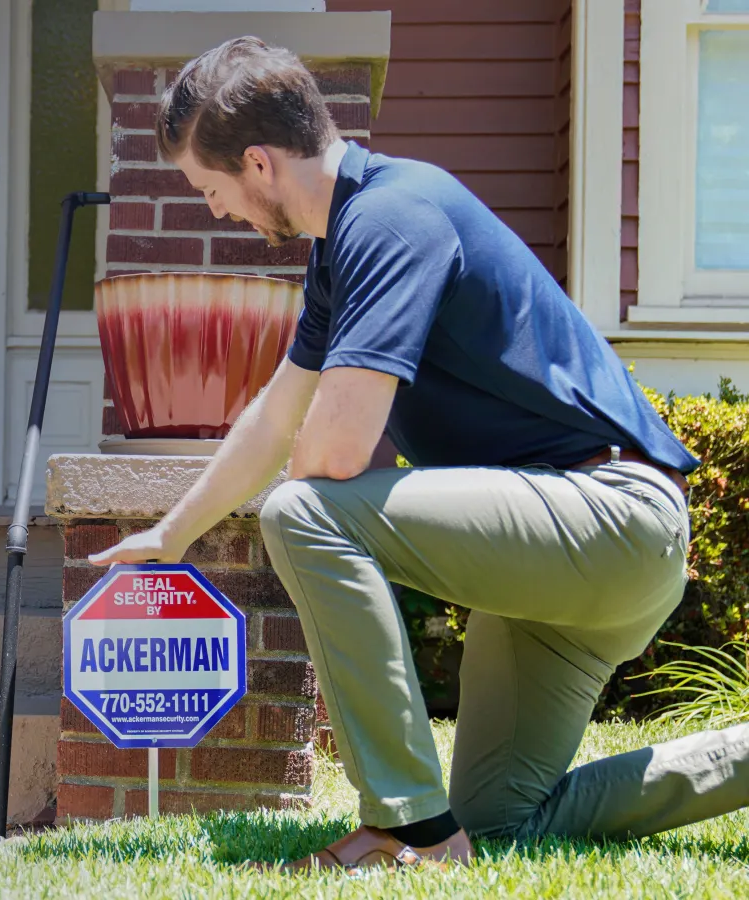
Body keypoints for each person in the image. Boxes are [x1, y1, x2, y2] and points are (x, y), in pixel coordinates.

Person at [89, 36, 748, 873]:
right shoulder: (342, 248)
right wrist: (172, 534)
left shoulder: (395, 219)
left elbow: (330, 454)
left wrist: (320, 540)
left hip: (610, 518)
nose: (218, 212)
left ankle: (412, 831)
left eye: (211, 190)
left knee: (304, 510)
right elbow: (274, 416)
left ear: (258, 162)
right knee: (505, 817)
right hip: (560, 560)